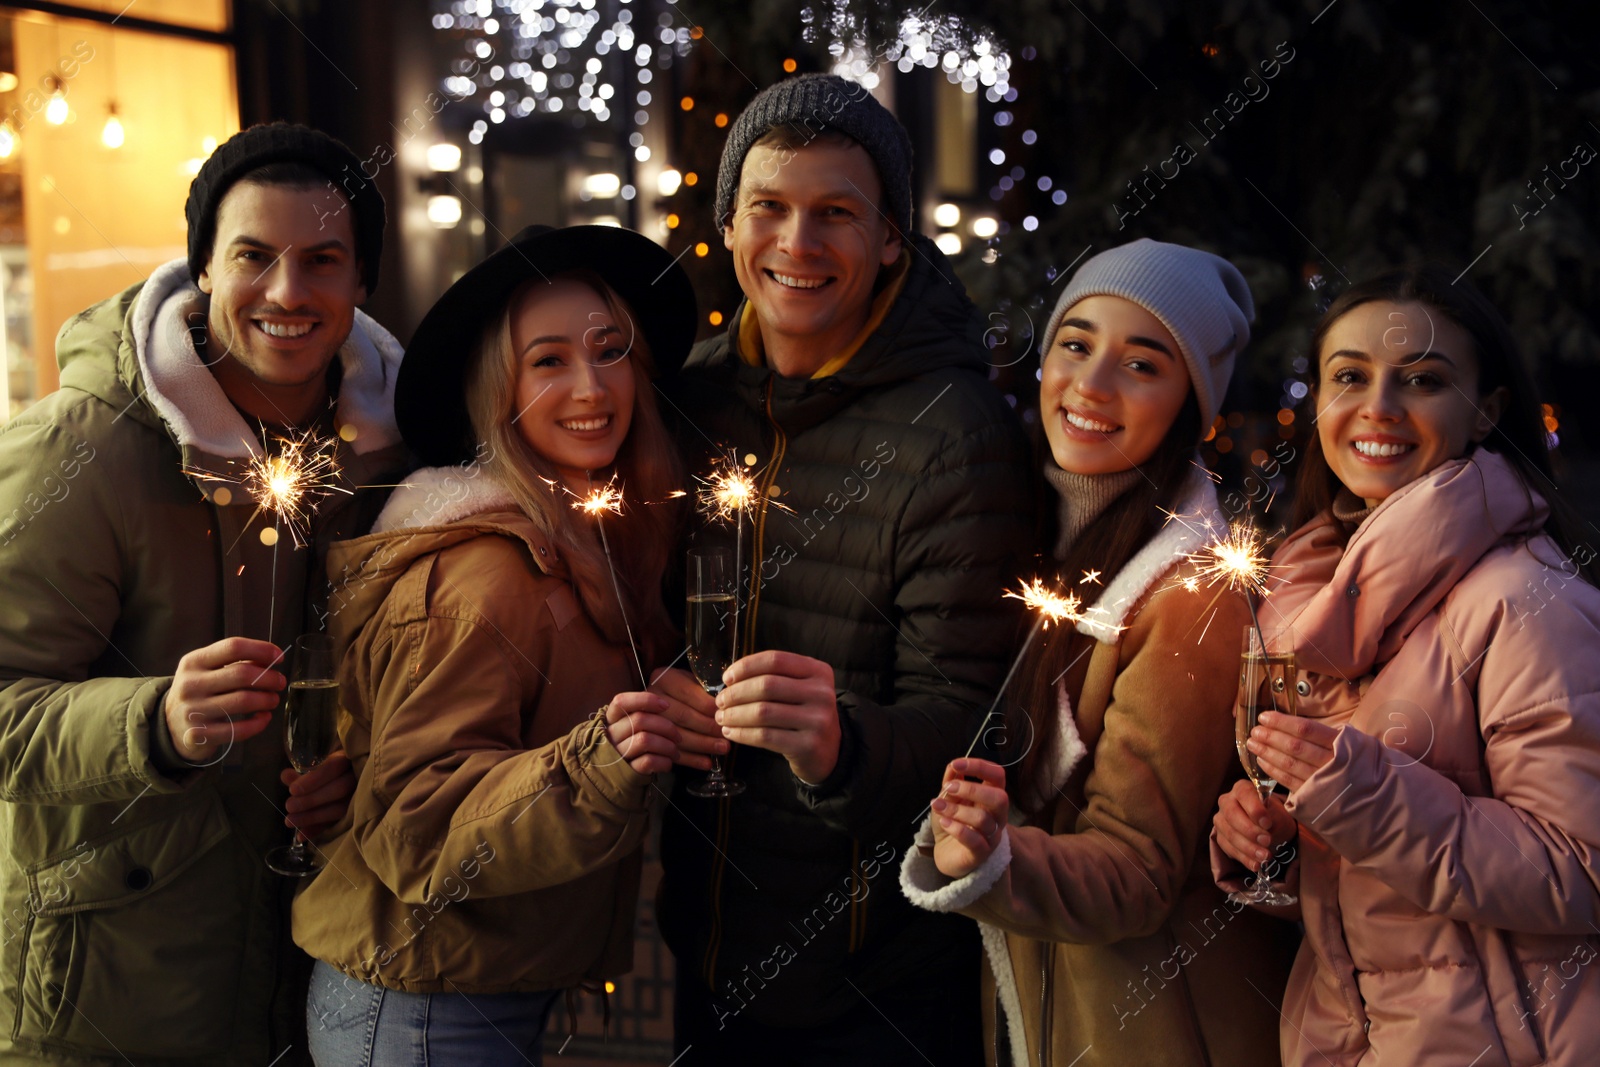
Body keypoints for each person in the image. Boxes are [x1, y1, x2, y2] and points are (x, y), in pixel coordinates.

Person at [0, 122, 406, 1064]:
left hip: (306, 970)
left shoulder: (387, 457)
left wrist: (353, 772)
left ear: (361, 285)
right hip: (107, 988)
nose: (288, 292)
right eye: (254, 257)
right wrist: (154, 723)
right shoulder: (82, 448)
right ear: (205, 272)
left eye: (323, 261)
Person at [652, 73, 1034, 1064]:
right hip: (700, 944)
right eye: (769, 208)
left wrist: (842, 744)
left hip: (874, 982)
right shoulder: (686, 402)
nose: (797, 244)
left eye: (836, 214)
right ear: (728, 224)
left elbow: (979, 724)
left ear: (891, 238)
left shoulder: (952, 432)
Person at [294, 224, 699, 1064]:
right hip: (416, 1008)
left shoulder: (589, 540)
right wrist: (606, 758)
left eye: (610, 348)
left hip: (486, 986)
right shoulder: (486, 570)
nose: (591, 385)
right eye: (548, 360)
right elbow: (419, 820)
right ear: (498, 388)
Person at [899, 239, 1297, 1065]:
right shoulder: (1029, 538)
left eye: (1143, 364)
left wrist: (993, 856)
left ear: (1194, 403)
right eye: (1076, 344)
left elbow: (1139, 871)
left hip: (1158, 1024)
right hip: (1048, 1012)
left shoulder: (1190, 596)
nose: (1091, 384)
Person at [1212, 265, 1600, 1065]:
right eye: (1349, 376)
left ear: (1486, 410)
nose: (1379, 407)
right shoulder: (1293, 599)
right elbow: (1366, 893)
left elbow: (1584, 870)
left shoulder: (1525, 602)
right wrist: (1278, 847)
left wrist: (1365, 798)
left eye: (1423, 380)